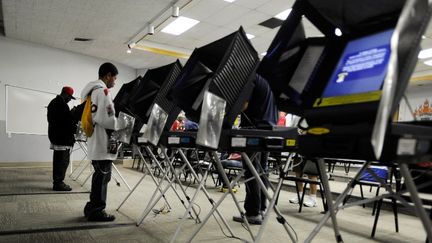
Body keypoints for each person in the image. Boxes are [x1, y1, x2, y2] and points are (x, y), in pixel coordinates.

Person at [81, 62, 127, 222]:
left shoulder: (91, 91)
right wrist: (122, 123)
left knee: (99, 176)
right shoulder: (104, 92)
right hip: (102, 142)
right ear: (107, 76)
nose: (115, 82)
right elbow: (106, 119)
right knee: (102, 177)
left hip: (95, 140)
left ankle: (91, 207)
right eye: (114, 78)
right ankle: (96, 210)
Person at [232, 74, 278, 225]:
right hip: (268, 129)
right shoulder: (267, 80)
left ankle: (253, 213)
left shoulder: (250, 77)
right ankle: (261, 209)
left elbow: (243, 104)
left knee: (251, 171)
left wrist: (228, 111)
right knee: (261, 171)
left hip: (253, 129)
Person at [47, 86, 77, 191]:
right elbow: (66, 123)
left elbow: (54, 120)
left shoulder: (53, 103)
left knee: (58, 161)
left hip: (56, 137)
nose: (69, 100)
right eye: (69, 97)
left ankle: (58, 182)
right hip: (62, 139)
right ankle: (58, 183)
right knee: (62, 162)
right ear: (65, 94)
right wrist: (72, 114)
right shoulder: (62, 105)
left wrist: (69, 114)